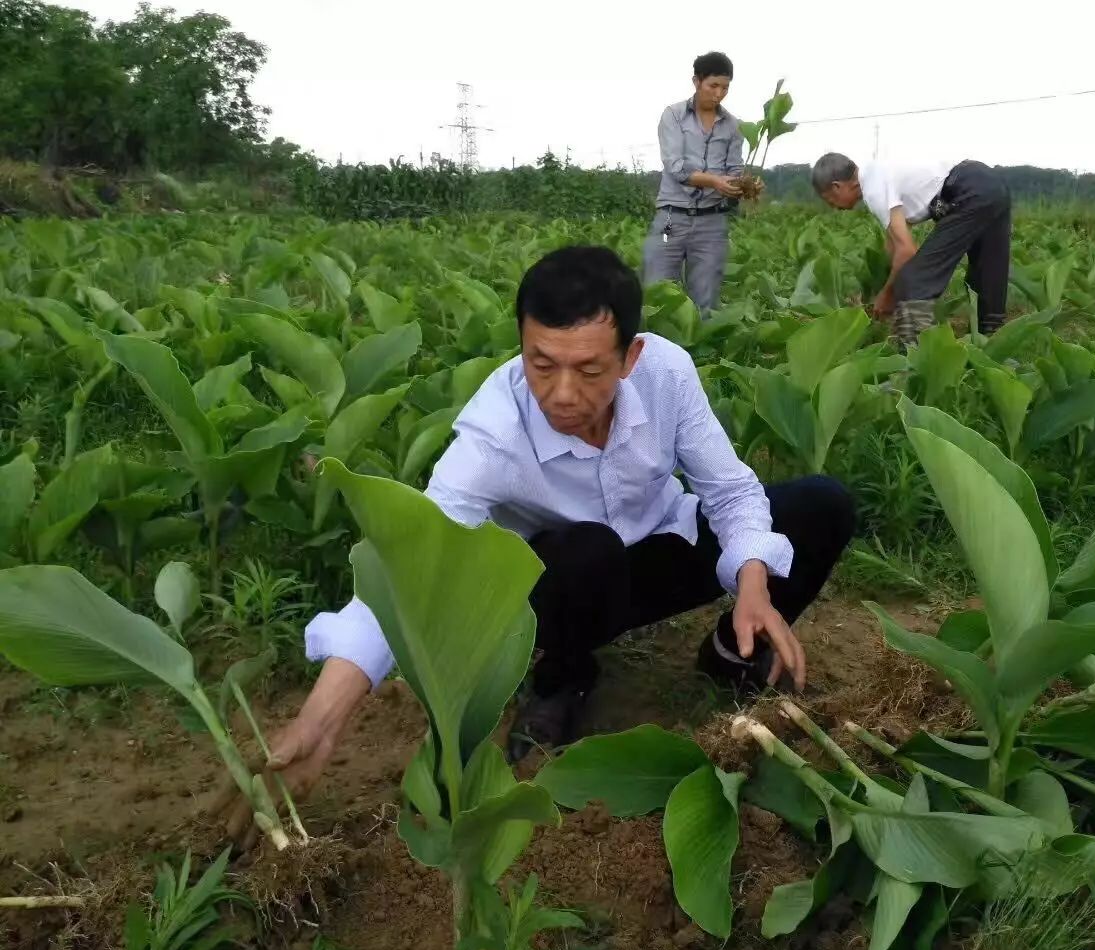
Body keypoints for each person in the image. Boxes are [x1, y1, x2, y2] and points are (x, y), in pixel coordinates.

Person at [215, 246, 855, 847]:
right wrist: (320, 722)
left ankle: (731, 652)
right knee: (588, 552)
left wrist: (750, 581)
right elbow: (408, 571)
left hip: (660, 544)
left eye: (590, 369)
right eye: (541, 364)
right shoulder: (492, 437)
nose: (563, 394)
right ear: (521, 345)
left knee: (821, 505)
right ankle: (560, 679)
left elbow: (731, 490)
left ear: (630, 357)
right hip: (561, 585)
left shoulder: (666, 373)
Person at [812, 153, 1012, 345]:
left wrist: (888, 294)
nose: (835, 208)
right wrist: (882, 281)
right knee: (988, 272)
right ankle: (992, 343)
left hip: (969, 192)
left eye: (830, 200)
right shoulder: (877, 174)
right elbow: (895, 241)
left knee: (913, 279)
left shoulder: (873, 186)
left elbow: (906, 250)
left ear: (837, 186)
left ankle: (914, 356)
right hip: (990, 184)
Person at [643, 51, 746, 317]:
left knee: (706, 299)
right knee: (657, 291)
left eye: (725, 88)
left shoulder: (733, 126)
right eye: (713, 86)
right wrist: (714, 180)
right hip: (671, 218)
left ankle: (699, 355)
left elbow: (734, 168)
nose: (719, 93)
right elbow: (675, 167)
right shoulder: (674, 116)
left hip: (712, 222)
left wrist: (743, 186)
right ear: (696, 81)